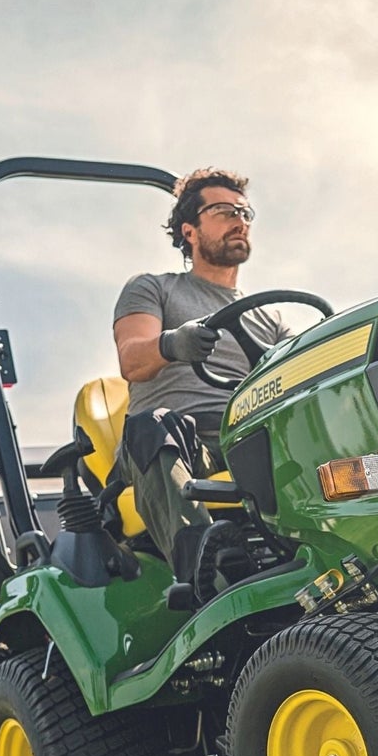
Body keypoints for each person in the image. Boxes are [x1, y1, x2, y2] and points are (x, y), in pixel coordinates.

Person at [111, 167, 293, 587]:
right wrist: (172, 343)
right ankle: (205, 570)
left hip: (245, 437)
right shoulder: (155, 288)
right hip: (178, 441)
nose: (240, 220)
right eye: (225, 210)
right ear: (189, 230)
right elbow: (132, 360)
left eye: (246, 213)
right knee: (152, 426)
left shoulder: (272, 317)